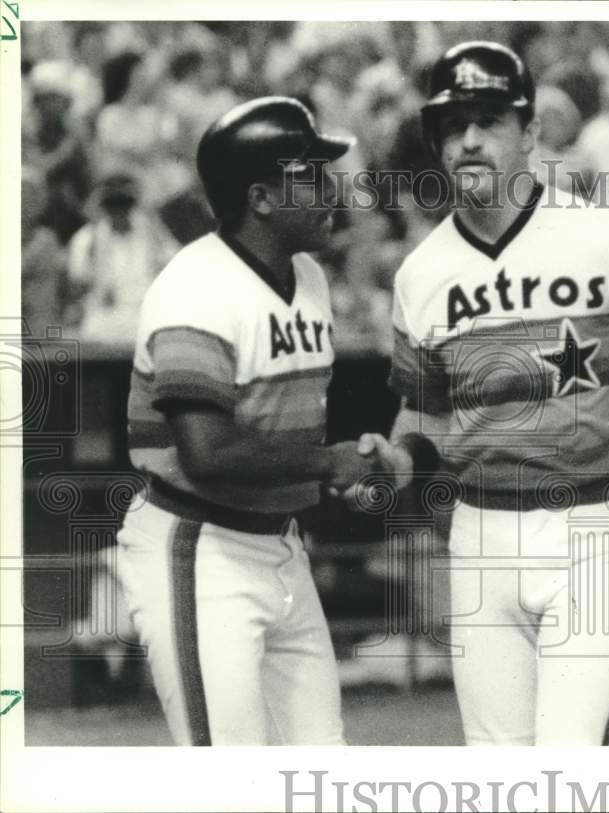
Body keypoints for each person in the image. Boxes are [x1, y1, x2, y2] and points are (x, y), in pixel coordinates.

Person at [387, 41, 609, 745]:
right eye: (451, 125)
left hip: (593, 522)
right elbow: (422, 408)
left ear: (530, 132)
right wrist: (393, 457)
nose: (468, 140)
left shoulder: (605, 234)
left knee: (567, 765)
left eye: (489, 120)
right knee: (498, 767)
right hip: (479, 528)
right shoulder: (421, 272)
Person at [116, 97, 431, 745]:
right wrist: (330, 461)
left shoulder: (307, 275)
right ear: (261, 198)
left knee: (319, 770)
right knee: (230, 776)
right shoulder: (195, 289)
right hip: (200, 546)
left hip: (281, 547)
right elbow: (206, 452)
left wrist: (356, 455)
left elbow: (293, 426)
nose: (330, 191)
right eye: (310, 175)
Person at [66, 172, 179, 345]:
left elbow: (177, 267)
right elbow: (78, 279)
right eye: (112, 204)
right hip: (106, 314)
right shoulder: (87, 238)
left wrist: (152, 219)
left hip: (145, 313)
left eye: (124, 203)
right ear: (102, 205)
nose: (119, 210)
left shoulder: (153, 233)